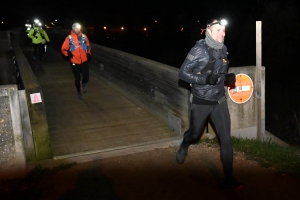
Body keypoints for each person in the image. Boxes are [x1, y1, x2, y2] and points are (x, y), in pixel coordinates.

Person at [176, 18, 243, 190]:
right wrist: (204, 79)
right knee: (195, 134)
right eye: (218, 30)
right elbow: (183, 73)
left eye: (224, 30)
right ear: (208, 31)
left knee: (226, 139)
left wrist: (227, 78)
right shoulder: (198, 50)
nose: (222, 34)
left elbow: (219, 72)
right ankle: (185, 143)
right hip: (201, 102)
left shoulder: (223, 49)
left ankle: (229, 180)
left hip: (219, 101)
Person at [61, 22, 91, 99]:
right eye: (76, 28)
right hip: (74, 61)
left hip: (84, 60)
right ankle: (78, 92)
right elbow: (63, 49)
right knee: (77, 78)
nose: (78, 29)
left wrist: (88, 53)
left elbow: (88, 46)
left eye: (79, 28)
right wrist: (68, 54)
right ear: (73, 29)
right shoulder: (69, 38)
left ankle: (83, 83)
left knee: (86, 77)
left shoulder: (84, 36)